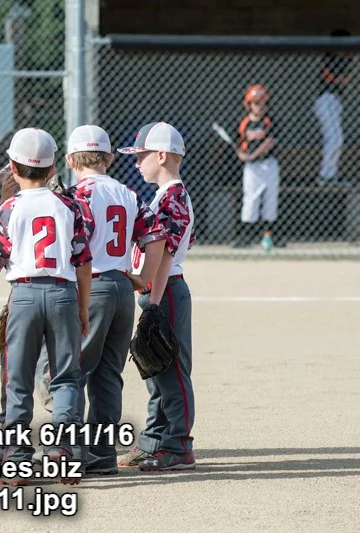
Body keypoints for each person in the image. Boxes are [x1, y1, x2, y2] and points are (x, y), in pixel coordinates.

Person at [0, 127, 92, 486]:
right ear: (53, 168)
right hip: (63, 292)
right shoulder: (70, 205)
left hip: (23, 295)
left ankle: (17, 458)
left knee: (18, 379)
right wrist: (82, 309)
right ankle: (62, 449)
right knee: (65, 377)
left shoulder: (6, 209)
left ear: (11, 167)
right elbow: (83, 263)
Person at [65, 125, 168, 475]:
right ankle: (102, 455)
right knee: (108, 374)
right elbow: (156, 238)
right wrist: (143, 278)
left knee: (73, 372)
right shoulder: (127, 193)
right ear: (109, 158)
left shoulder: (74, 195)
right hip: (122, 287)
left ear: (70, 160)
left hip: (90, 287)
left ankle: (72, 452)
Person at [116, 122, 197, 472]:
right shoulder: (165, 195)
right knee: (155, 369)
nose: (137, 163)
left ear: (162, 156)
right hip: (158, 291)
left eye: (142, 156)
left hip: (166, 292)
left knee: (171, 368)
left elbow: (165, 254)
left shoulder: (173, 195)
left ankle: (178, 445)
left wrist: (153, 303)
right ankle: (153, 440)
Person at [232, 85, 281, 248]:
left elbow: (269, 142)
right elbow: (239, 144)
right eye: (256, 103)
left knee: (270, 200)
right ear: (249, 105)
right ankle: (246, 236)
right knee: (251, 200)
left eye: (263, 103)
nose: (260, 107)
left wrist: (252, 155)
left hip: (269, 164)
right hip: (252, 169)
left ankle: (271, 235)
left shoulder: (269, 121)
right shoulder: (243, 123)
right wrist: (241, 155)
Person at [314, 29, 353, 184]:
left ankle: (331, 173)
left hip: (335, 101)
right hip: (326, 100)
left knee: (336, 138)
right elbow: (341, 80)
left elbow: (346, 81)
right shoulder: (330, 59)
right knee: (335, 138)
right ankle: (326, 175)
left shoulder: (343, 60)